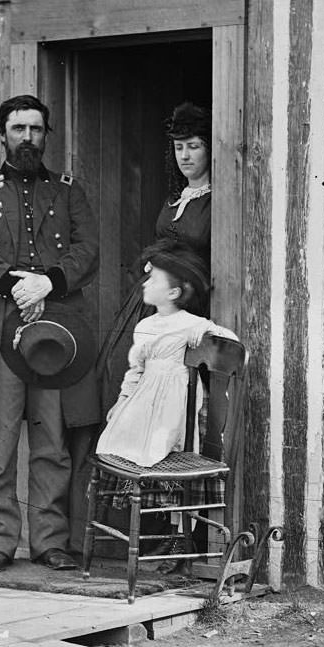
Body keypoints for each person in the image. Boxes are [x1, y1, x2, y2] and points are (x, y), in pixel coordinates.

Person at [0, 94, 100, 573]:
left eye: (36, 129)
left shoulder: (69, 191)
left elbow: (87, 250)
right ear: (2, 134)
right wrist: (18, 285)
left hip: (56, 330)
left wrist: (49, 283)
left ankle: (50, 542)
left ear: (45, 135)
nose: (28, 138)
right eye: (18, 129)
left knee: (51, 441)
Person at [92, 240, 238, 565]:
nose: (145, 284)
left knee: (164, 447)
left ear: (173, 292)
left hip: (174, 402)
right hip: (145, 400)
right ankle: (160, 531)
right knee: (119, 441)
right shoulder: (144, 326)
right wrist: (122, 401)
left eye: (153, 280)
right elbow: (135, 369)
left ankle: (178, 536)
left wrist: (208, 340)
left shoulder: (191, 323)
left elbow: (229, 343)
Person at [95, 101, 212, 416]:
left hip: (186, 302)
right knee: (120, 365)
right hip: (148, 300)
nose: (185, 156)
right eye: (179, 147)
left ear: (209, 149)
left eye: (194, 146)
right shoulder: (175, 198)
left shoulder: (215, 201)